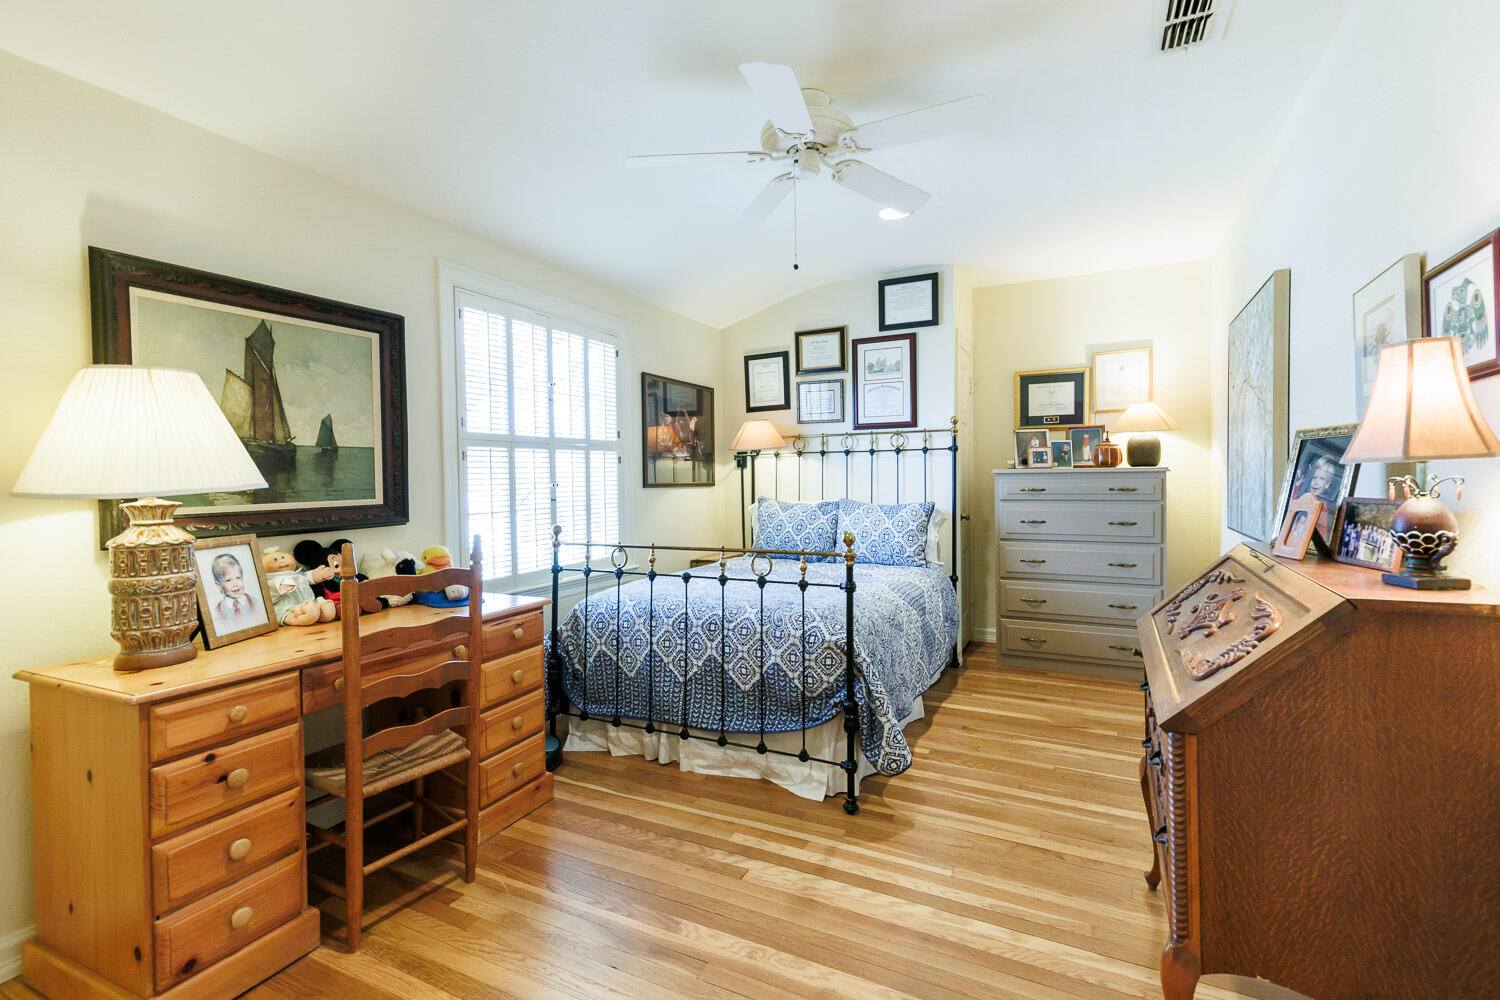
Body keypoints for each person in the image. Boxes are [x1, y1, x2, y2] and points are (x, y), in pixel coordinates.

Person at [209, 551, 260, 634]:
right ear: (219, 585)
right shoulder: (218, 609)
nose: (235, 584)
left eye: (238, 578)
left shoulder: (253, 601)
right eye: (228, 580)